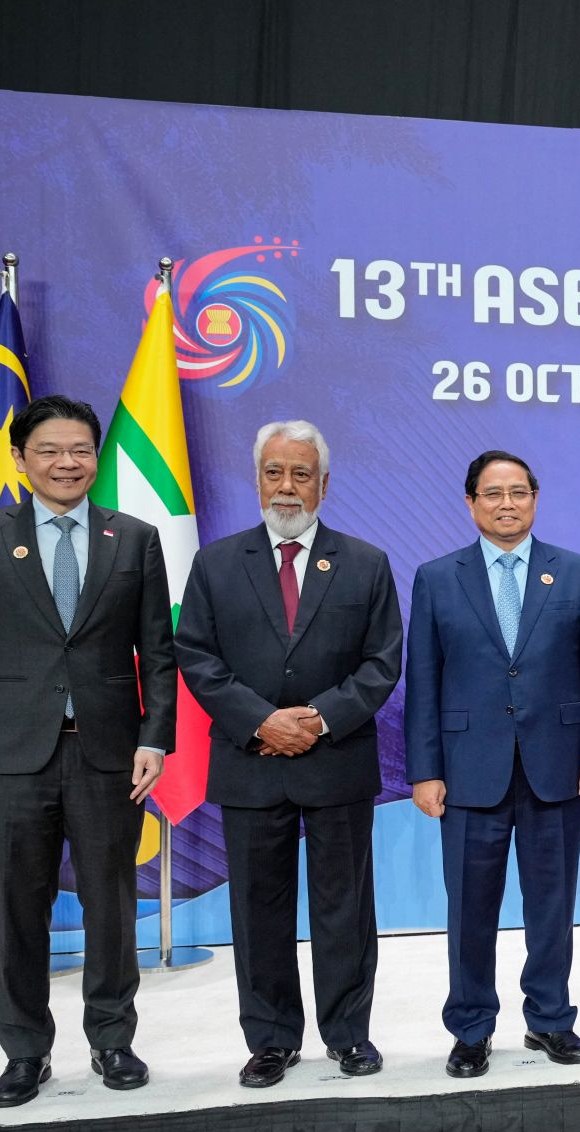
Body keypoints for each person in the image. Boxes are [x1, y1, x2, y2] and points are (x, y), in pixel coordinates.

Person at [0, 395, 177, 1107]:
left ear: (95, 458)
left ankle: (112, 1039)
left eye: (79, 450)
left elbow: (157, 655)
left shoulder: (132, 537)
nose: (66, 462)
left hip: (108, 752)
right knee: (18, 906)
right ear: (20, 458)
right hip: (11, 753)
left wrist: (154, 735)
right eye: (49, 450)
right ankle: (24, 1050)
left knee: (112, 904)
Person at [175, 420, 402, 1087]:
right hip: (252, 763)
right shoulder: (217, 563)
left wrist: (320, 718)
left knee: (345, 908)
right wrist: (261, 720)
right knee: (258, 909)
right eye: (275, 471)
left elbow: (382, 661)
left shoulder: (365, 562)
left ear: (324, 483)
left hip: (337, 763)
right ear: (257, 478)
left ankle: (348, 1033)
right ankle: (272, 1039)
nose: (287, 485)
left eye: (301, 473)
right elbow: (195, 653)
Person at [406, 450, 580, 1074]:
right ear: (470, 502)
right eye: (493, 493)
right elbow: (424, 680)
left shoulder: (573, 572)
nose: (507, 504)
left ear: (535, 498)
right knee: (470, 906)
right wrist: (426, 769)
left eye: (519, 492)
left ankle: (550, 1020)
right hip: (468, 770)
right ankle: (471, 1027)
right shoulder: (437, 577)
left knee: (551, 903)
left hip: (556, 766)